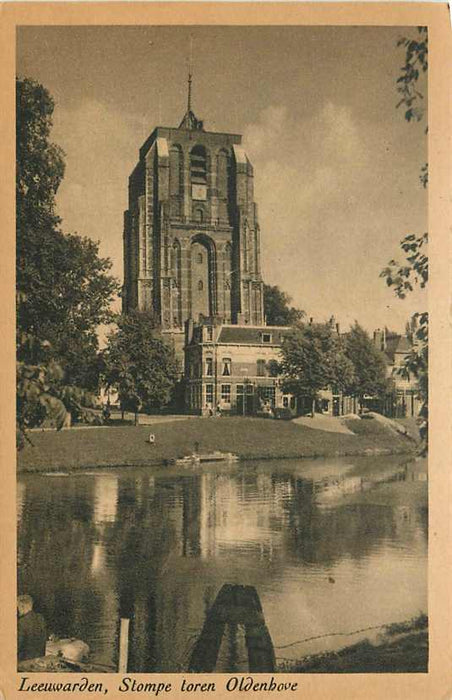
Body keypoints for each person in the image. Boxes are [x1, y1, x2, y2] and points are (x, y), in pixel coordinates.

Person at [17, 594, 46, 662]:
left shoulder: (22, 622)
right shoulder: (40, 618)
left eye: (18, 607)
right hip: (40, 659)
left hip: (25, 661)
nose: (18, 610)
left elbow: (18, 645)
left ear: (22, 606)